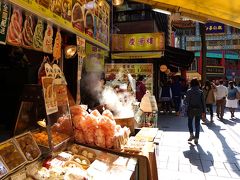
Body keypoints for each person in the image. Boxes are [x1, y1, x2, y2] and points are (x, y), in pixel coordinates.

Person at [185, 79, 206, 144]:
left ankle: (191, 134)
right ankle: (196, 138)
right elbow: (203, 102)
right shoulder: (200, 92)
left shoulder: (189, 91)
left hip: (191, 109)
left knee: (190, 122)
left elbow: (186, 101)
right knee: (197, 123)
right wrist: (204, 111)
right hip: (199, 110)